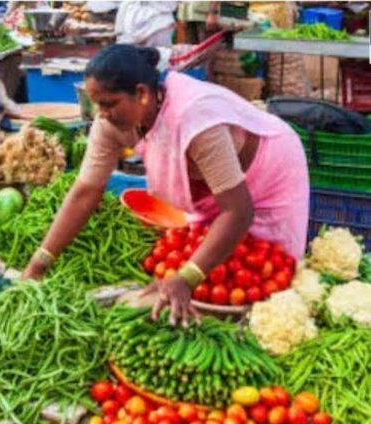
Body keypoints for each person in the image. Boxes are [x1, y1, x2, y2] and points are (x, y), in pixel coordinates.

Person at [22, 45, 309, 325]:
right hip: (213, 186)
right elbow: (86, 191)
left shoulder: (194, 118)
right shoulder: (109, 124)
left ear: (143, 94)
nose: (102, 113)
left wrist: (186, 278)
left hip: (268, 169)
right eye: (97, 104)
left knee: (268, 272)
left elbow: (237, 211)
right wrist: (40, 262)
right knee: (215, 263)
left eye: (109, 103)